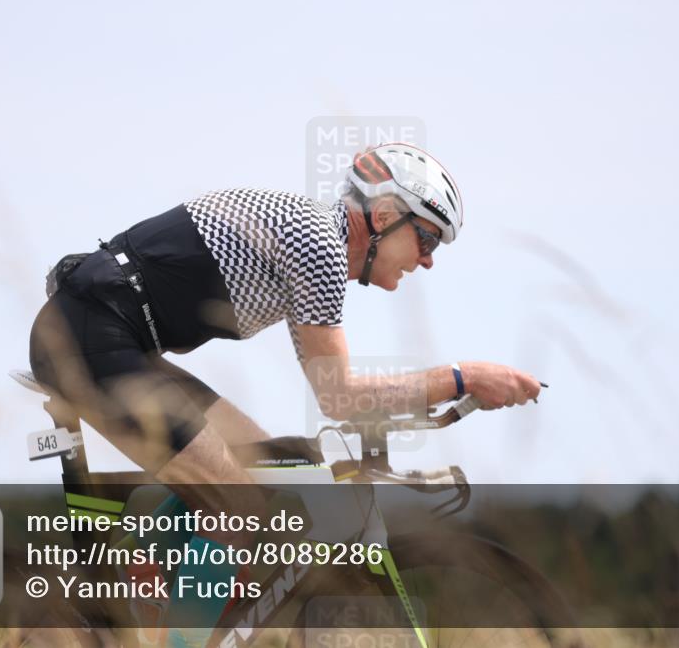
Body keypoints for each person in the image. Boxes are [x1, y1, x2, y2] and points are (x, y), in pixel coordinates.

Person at [27, 142, 543, 642]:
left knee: (269, 461)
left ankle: (121, 594)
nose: (428, 260)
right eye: (427, 239)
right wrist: (466, 377)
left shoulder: (313, 244)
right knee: (240, 504)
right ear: (384, 216)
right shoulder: (318, 244)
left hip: (112, 336)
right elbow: (339, 396)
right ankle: (156, 621)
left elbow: (337, 395)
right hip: (93, 339)